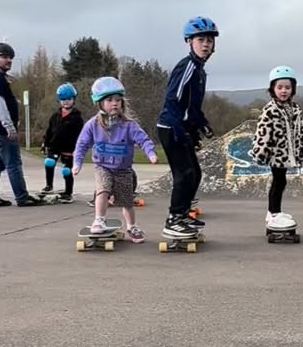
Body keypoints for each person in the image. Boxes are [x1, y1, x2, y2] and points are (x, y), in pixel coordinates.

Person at [72, 76, 157, 242]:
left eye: (118, 100)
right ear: (100, 103)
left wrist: (151, 153)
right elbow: (82, 144)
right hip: (102, 166)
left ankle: (132, 227)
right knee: (102, 189)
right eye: (110, 100)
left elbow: (143, 139)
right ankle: (99, 219)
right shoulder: (92, 124)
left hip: (123, 170)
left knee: (127, 202)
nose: (115, 103)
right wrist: (77, 163)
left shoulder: (129, 125)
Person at [156, 16, 218, 238]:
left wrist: (201, 124)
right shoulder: (188, 66)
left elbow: (191, 106)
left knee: (195, 173)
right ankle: (174, 219)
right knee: (185, 174)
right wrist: (181, 131)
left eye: (209, 40)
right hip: (171, 126)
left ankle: (183, 215)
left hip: (181, 127)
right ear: (189, 42)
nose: (205, 44)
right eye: (200, 39)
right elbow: (173, 100)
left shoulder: (199, 70)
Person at [0, 37, 43, 207]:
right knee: (13, 162)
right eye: (4, 57)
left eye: (10, 57)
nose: (9, 60)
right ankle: (22, 197)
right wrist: (9, 126)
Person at [251, 66, 303, 230]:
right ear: (272, 89)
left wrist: (302, 150)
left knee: (281, 182)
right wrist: (261, 153)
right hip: (276, 154)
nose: (284, 91)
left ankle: (274, 212)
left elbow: (301, 132)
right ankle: (273, 213)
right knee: (278, 181)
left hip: (288, 154)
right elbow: (262, 133)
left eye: (288, 87)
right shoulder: (270, 109)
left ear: (293, 89)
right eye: (280, 87)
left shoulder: (295, 109)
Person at [40, 83, 84, 201]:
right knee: (49, 162)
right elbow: (49, 130)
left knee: (66, 170)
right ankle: (49, 185)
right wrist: (45, 143)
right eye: (63, 99)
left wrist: (78, 149)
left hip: (69, 148)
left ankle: (68, 193)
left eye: (68, 99)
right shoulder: (55, 116)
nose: (66, 102)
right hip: (55, 145)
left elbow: (81, 135)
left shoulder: (77, 118)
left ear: (73, 99)